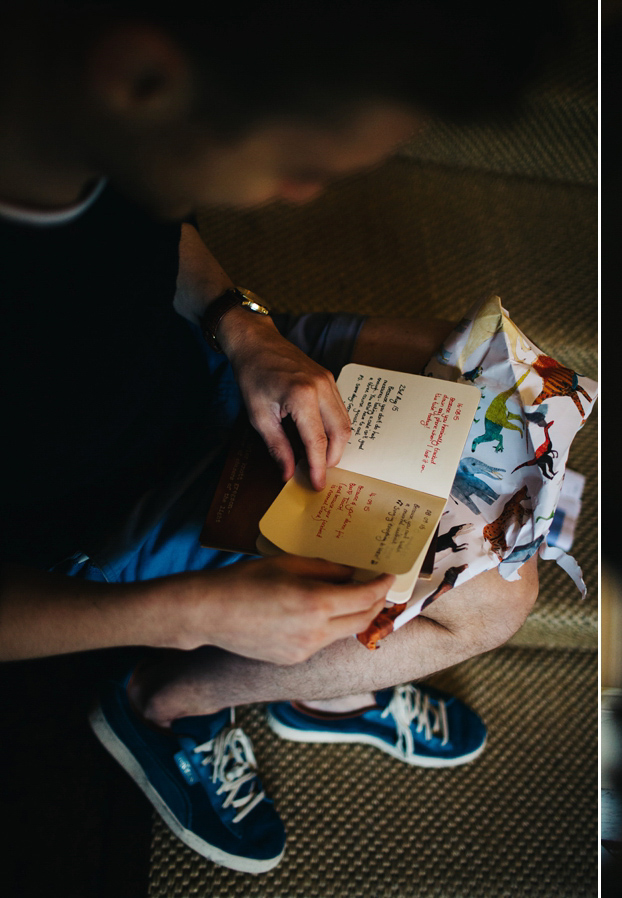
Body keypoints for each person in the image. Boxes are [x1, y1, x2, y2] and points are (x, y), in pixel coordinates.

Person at [0, 0, 564, 874]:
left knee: (478, 374)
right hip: (93, 519)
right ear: (142, 77)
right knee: (495, 598)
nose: (301, 198)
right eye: (302, 167)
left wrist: (246, 329)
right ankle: (165, 698)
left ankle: (328, 691)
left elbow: (162, 231)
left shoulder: (81, 118)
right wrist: (190, 616)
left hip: (208, 372)